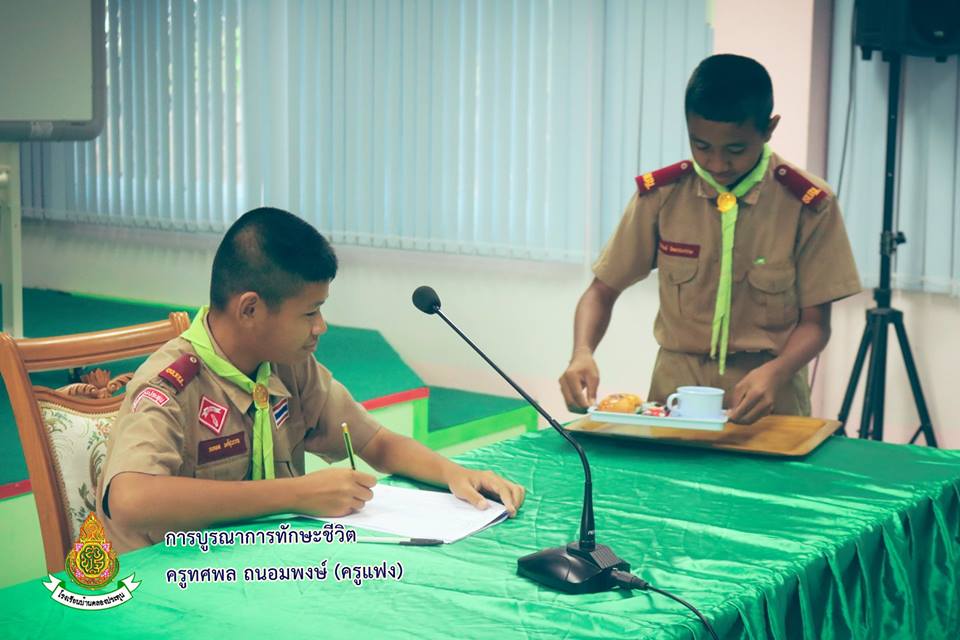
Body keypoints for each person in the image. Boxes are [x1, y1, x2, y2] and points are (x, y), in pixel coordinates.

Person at [96, 207, 525, 553]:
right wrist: (295, 494)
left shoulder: (285, 366)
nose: (321, 326)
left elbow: (377, 443)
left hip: (258, 569)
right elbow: (130, 500)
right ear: (250, 310)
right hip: (169, 585)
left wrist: (454, 473)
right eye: (309, 312)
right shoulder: (171, 385)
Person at [559, 54, 861, 424]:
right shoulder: (662, 195)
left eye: (735, 149)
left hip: (767, 394)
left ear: (769, 128)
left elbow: (816, 324)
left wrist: (777, 372)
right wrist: (582, 352)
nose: (717, 164)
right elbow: (601, 292)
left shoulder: (807, 204)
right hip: (675, 392)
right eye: (701, 146)